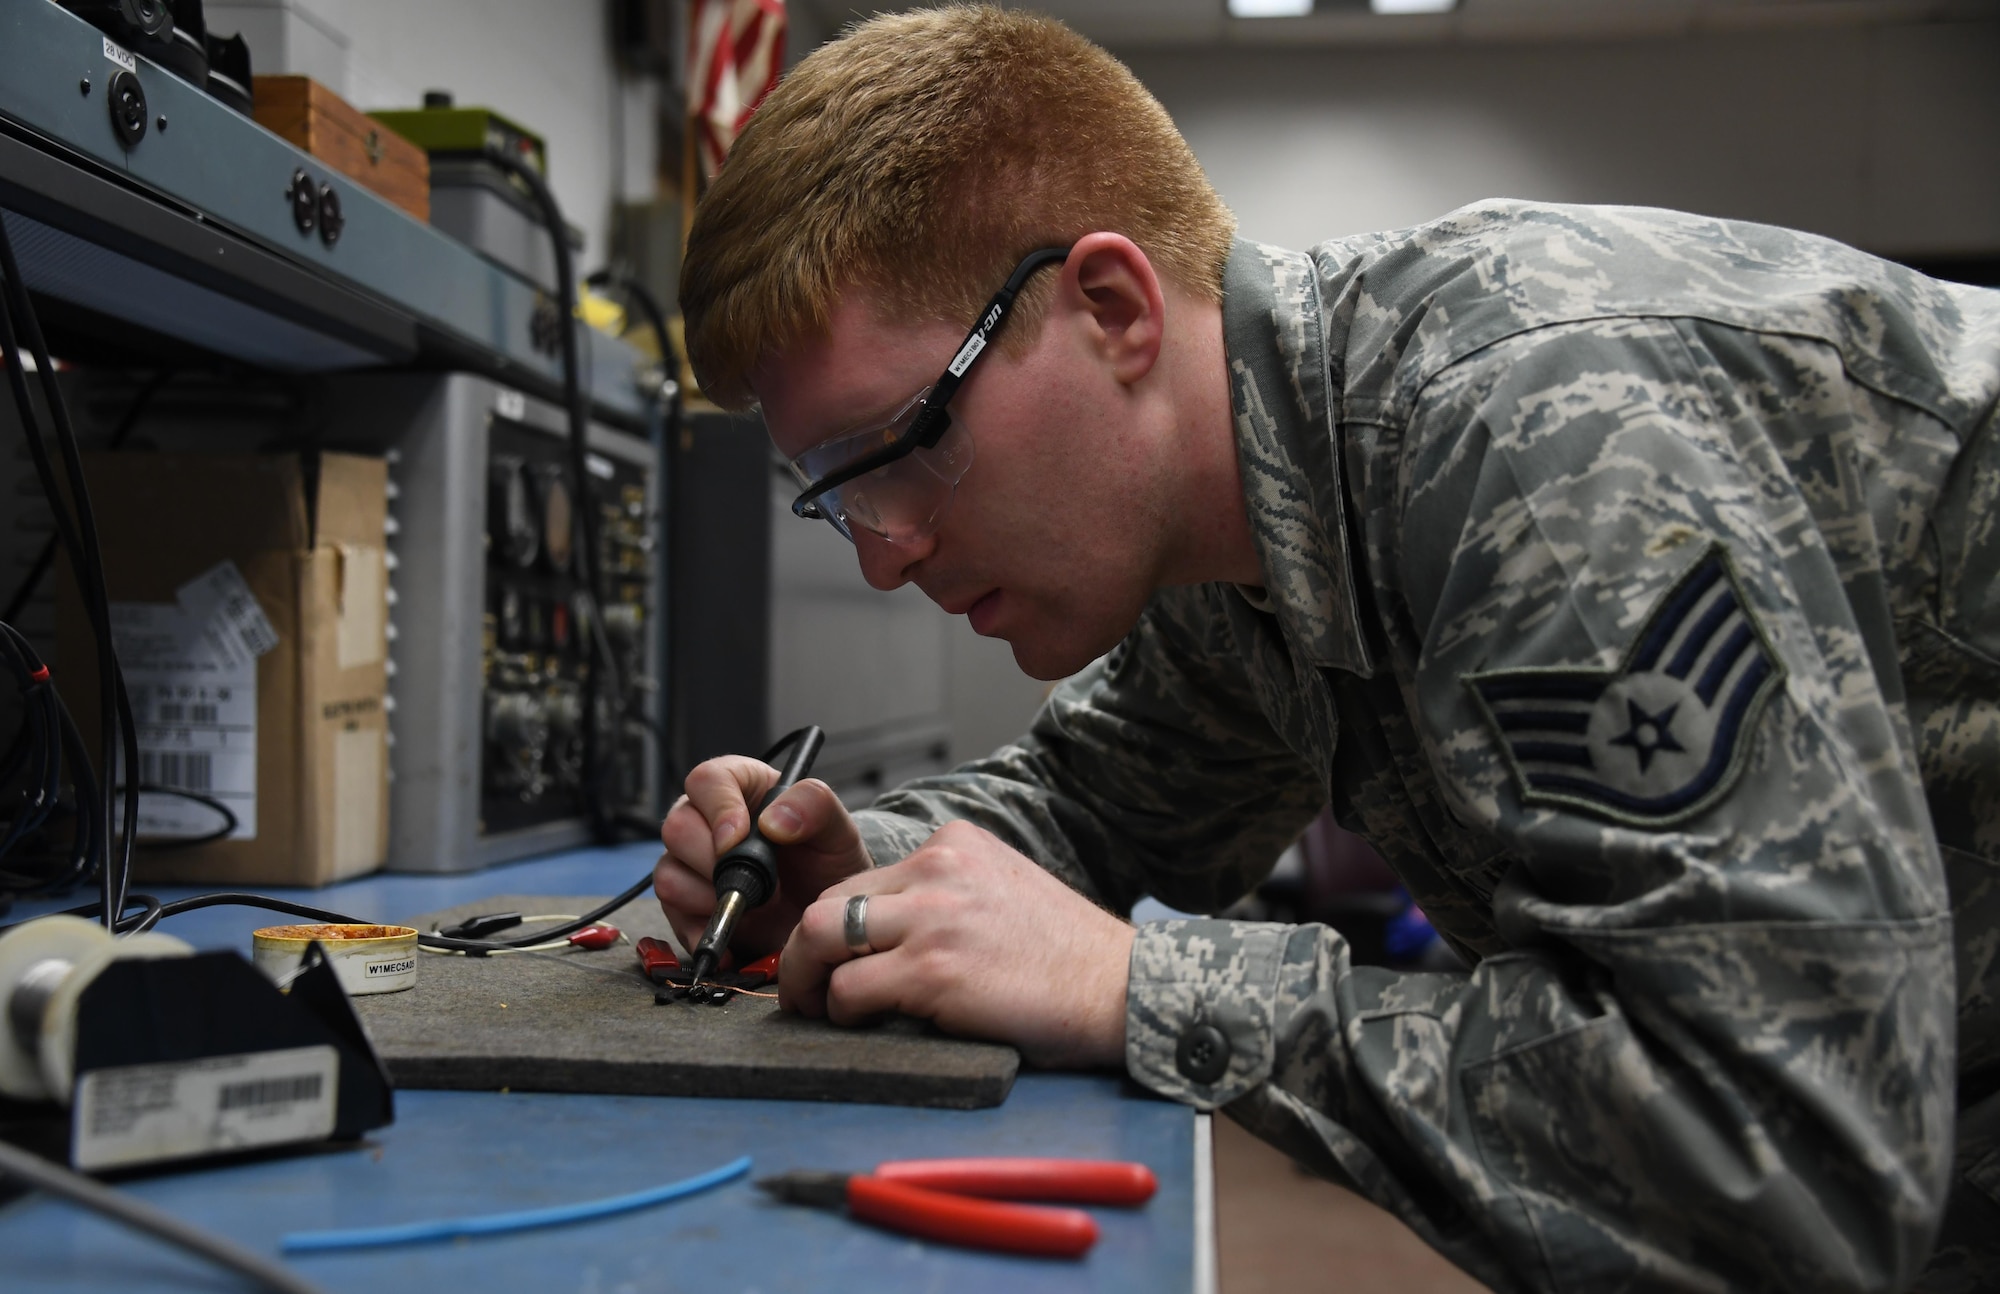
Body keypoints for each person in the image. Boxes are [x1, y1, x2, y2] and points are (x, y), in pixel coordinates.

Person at [654, 7, 2000, 1290]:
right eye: (838, 497)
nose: (883, 555)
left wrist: (1135, 982)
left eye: (899, 451)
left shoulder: (1533, 438)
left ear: (1114, 310)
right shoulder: (1231, 537)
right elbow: (1097, 804)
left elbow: (1791, 1161)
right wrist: (850, 870)